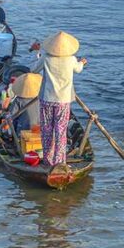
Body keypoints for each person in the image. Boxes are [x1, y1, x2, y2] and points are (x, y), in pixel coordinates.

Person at [38, 31, 85, 167]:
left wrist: (37, 55)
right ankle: (59, 161)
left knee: (47, 129)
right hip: (63, 100)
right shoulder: (71, 59)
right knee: (61, 130)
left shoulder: (46, 58)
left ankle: (48, 160)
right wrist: (82, 62)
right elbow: (78, 69)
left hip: (46, 98)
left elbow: (33, 69)